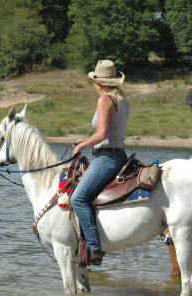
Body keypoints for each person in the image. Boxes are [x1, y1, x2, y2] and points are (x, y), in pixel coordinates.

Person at [70, 60, 129, 265]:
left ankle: (94, 248)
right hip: (118, 153)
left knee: (77, 199)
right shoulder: (122, 98)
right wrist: (86, 140)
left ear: (98, 82)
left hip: (107, 158)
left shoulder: (105, 100)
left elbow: (102, 133)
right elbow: (106, 133)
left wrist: (81, 146)